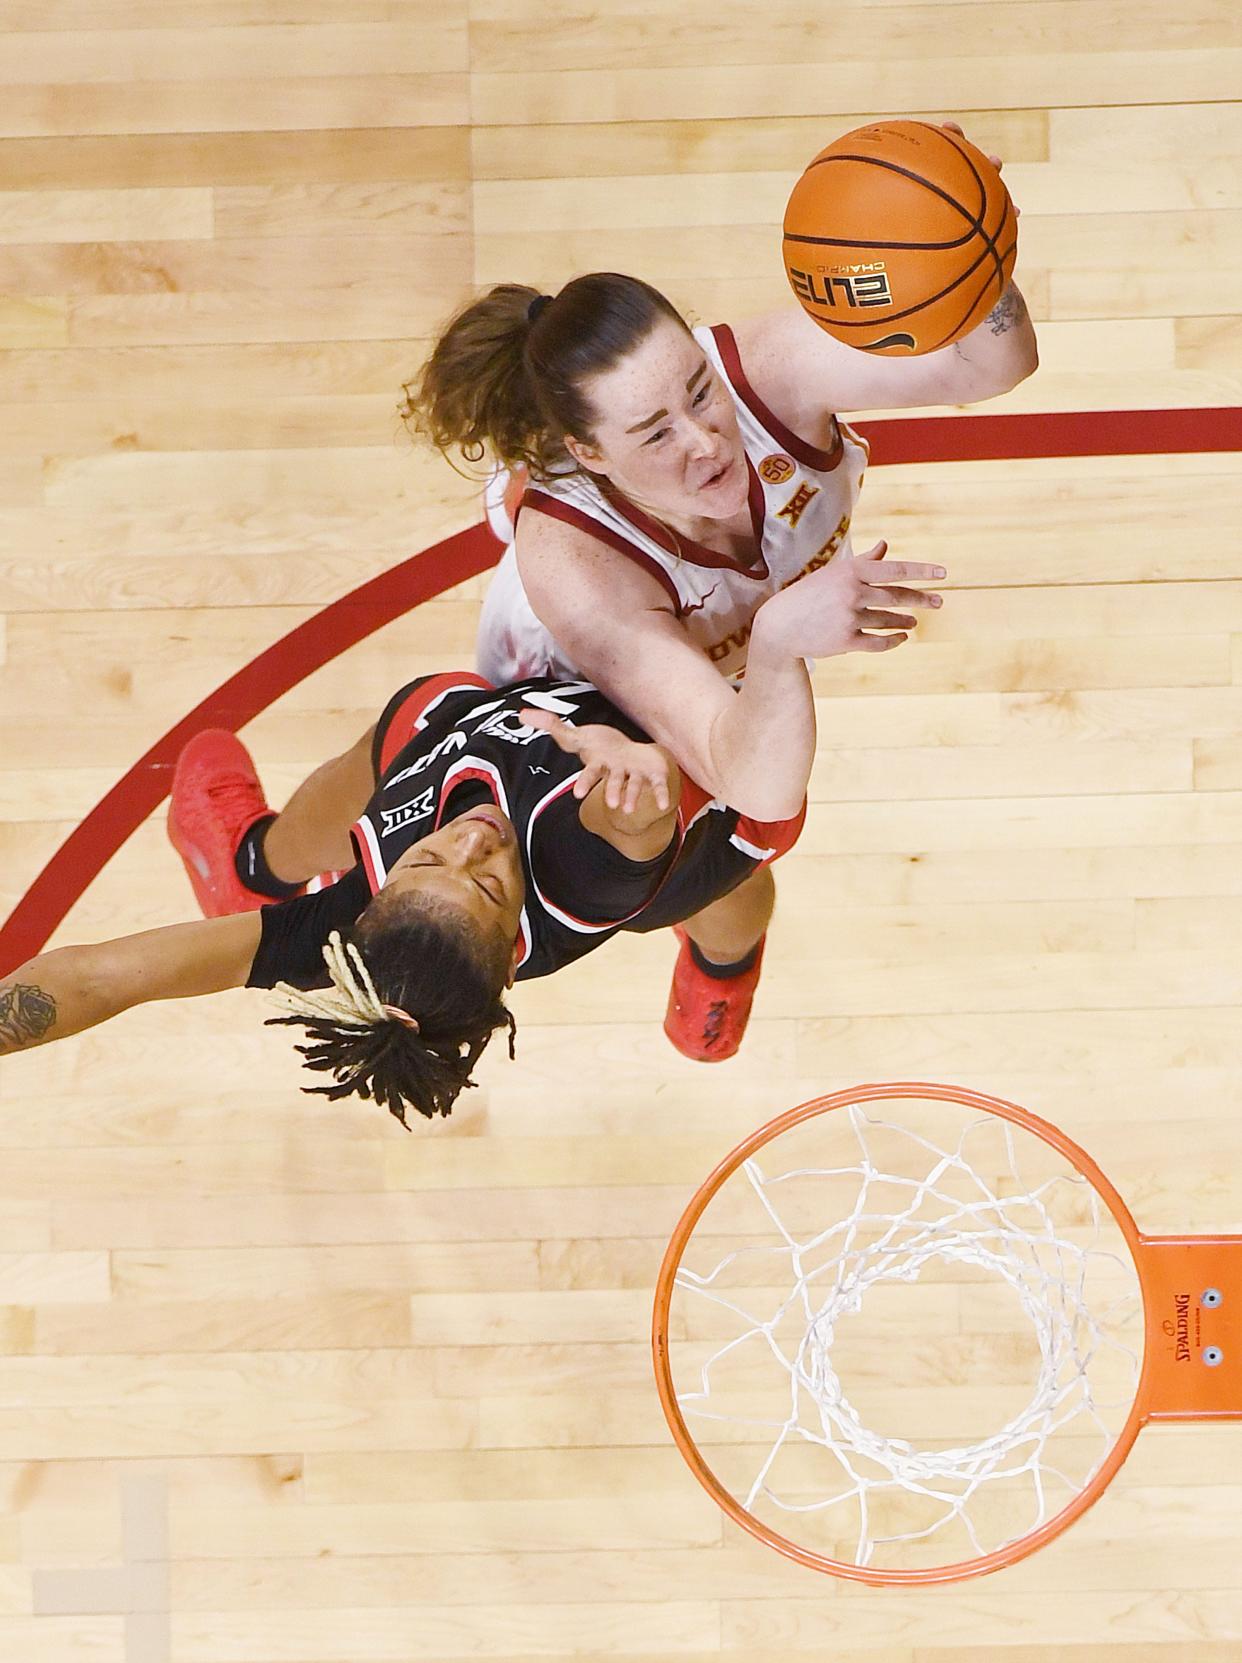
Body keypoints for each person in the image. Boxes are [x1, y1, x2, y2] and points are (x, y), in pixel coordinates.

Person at [400, 125, 1039, 1061]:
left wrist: (974, 257)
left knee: (737, 882)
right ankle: (258, 859)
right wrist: (780, 639)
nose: (706, 440)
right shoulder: (579, 573)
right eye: (653, 434)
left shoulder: (763, 375)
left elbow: (999, 361)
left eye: (700, 392)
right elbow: (745, 771)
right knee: (647, 874)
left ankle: (718, 971)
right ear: (587, 453)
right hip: (577, 704)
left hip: (725, 666)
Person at [0, 667, 809, 1122]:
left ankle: (253, 870)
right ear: (510, 951)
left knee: (417, 723)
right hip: (704, 825)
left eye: (425, 863)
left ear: (369, 908)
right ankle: (717, 990)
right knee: (726, 894)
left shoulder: (359, 928)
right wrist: (640, 792)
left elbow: (106, 976)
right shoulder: (583, 868)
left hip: (517, 721)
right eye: (491, 883)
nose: (471, 841)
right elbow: (630, 822)